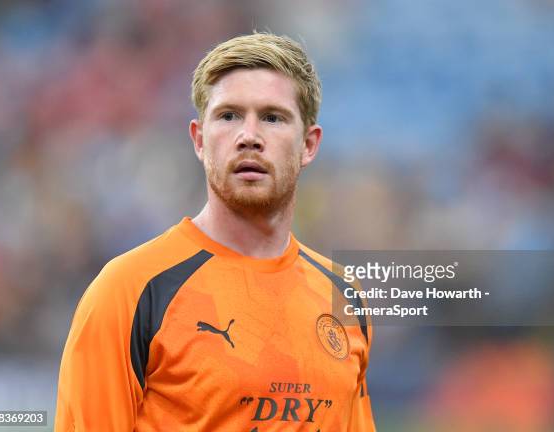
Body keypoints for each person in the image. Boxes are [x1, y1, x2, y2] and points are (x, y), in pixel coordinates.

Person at [54, 32, 376, 431]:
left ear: (308, 145)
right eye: (229, 116)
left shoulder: (342, 294)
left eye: (273, 118)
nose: (249, 137)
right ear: (199, 140)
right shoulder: (130, 290)